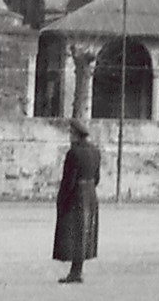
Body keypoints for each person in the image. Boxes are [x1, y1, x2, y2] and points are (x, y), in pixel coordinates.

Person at [52, 118, 100, 284]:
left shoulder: (73, 153)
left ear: (76, 135)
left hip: (77, 194)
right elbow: (97, 177)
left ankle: (75, 272)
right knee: (85, 232)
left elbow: (69, 180)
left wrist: (62, 198)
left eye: (71, 133)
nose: (69, 136)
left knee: (74, 232)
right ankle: (77, 269)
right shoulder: (95, 151)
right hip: (91, 192)